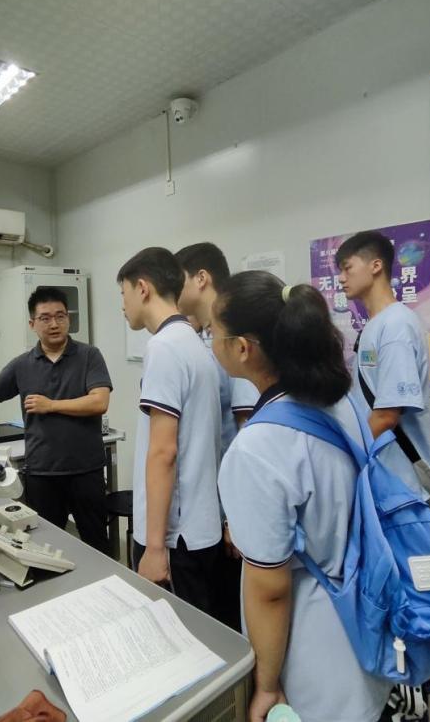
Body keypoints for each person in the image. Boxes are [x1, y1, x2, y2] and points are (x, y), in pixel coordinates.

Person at [214, 272, 391, 722]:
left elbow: (270, 591)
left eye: (213, 331)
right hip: (366, 624)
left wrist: (265, 686)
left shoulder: (257, 447)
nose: (210, 341)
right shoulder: (341, 402)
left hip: (313, 657)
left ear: (242, 348)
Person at [0, 286, 112, 554]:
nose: (54, 324)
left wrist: (51, 405)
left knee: (96, 542)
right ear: (32, 324)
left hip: (86, 470)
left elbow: (99, 401)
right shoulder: (22, 364)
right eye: (45, 318)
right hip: (43, 473)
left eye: (60, 316)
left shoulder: (89, 355)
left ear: (68, 319)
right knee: (44, 547)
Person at [117, 247, 223, 616]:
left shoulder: (163, 347)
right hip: (200, 528)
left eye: (123, 293)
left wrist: (155, 547)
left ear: (142, 288)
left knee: (175, 636)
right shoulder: (193, 342)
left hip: (176, 537)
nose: (123, 305)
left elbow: (164, 452)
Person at [176, 241, 258, 631]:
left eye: (178, 280)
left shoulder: (234, 330)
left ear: (201, 279)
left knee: (229, 617)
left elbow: (246, 433)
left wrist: (235, 518)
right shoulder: (207, 335)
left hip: (233, 508)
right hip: (214, 503)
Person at [336, 230, 429, 499]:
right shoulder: (378, 324)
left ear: (376, 266)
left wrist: (347, 458)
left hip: (399, 482)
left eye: (347, 268)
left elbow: (387, 415)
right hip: (381, 473)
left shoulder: (396, 325)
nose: (341, 278)